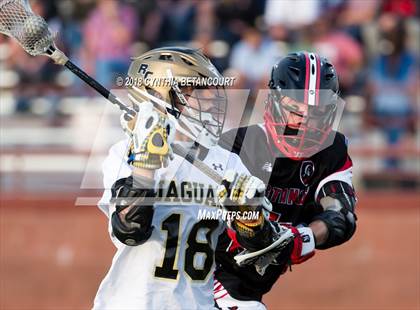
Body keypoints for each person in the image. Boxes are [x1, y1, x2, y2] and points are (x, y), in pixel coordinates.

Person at [93, 47, 282, 309]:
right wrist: (145, 163)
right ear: (161, 94)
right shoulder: (124, 153)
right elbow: (130, 230)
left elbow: (263, 249)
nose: (211, 99)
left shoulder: (226, 161)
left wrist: (250, 217)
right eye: (197, 90)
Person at [214, 51, 358, 309]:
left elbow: (341, 216)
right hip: (207, 279)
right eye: (294, 109)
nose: (304, 122)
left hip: (246, 289)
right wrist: (253, 229)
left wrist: (303, 237)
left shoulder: (331, 151)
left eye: (317, 112)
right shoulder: (236, 146)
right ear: (273, 102)